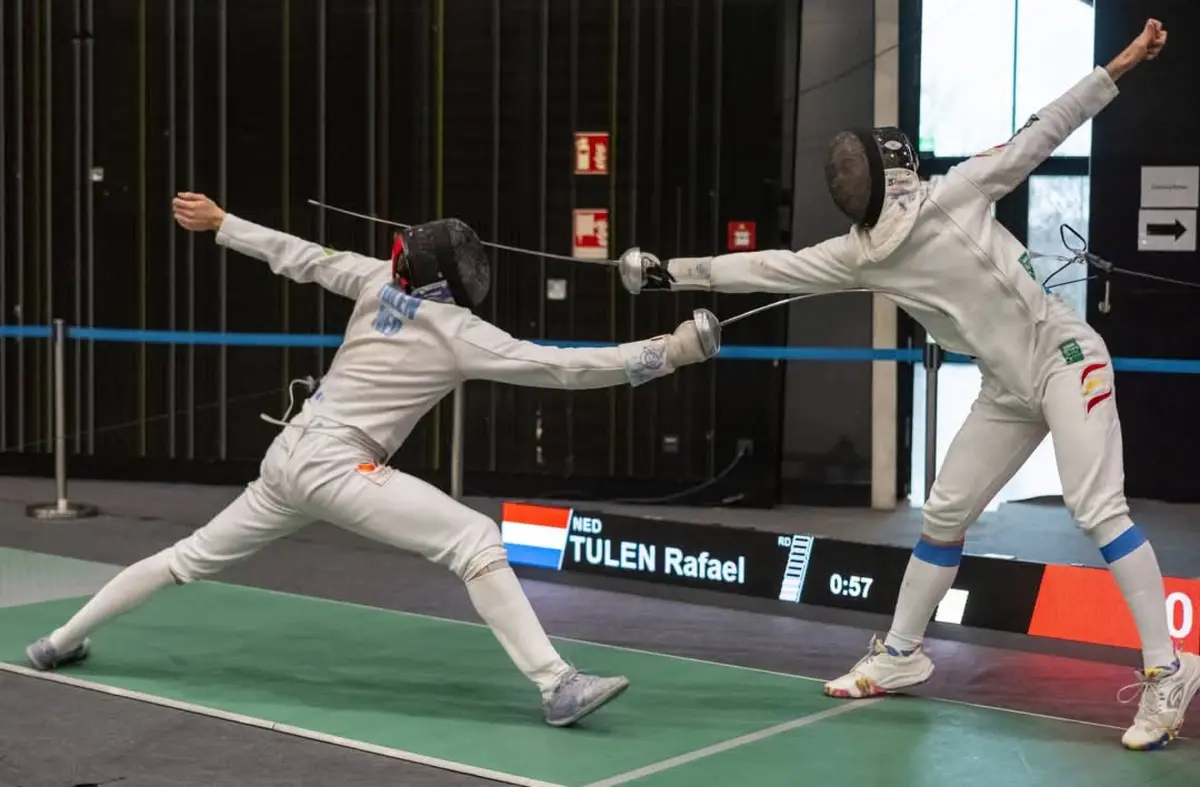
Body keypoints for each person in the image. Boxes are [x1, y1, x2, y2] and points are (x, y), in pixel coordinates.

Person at [619, 19, 1195, 751]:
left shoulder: (895, 232)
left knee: (1096, 506)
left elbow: (766, 265)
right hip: (1008, 387)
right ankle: (900, 653)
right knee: (946, 510)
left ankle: (1168, 669)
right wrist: (1121, 63)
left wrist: (675, 271)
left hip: (1066, 357)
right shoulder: (913, 219)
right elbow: (1042, 128)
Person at [26, 193, 721, 729]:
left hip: (289, 456)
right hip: (334, 465)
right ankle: (556, 683)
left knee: (185, 558)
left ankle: (57, 641)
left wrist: (222, 223)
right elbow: (563, 369)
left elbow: (297, 254)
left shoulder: (371, 283)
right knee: (474, 537)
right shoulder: (458, 330)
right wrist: (673, 351)